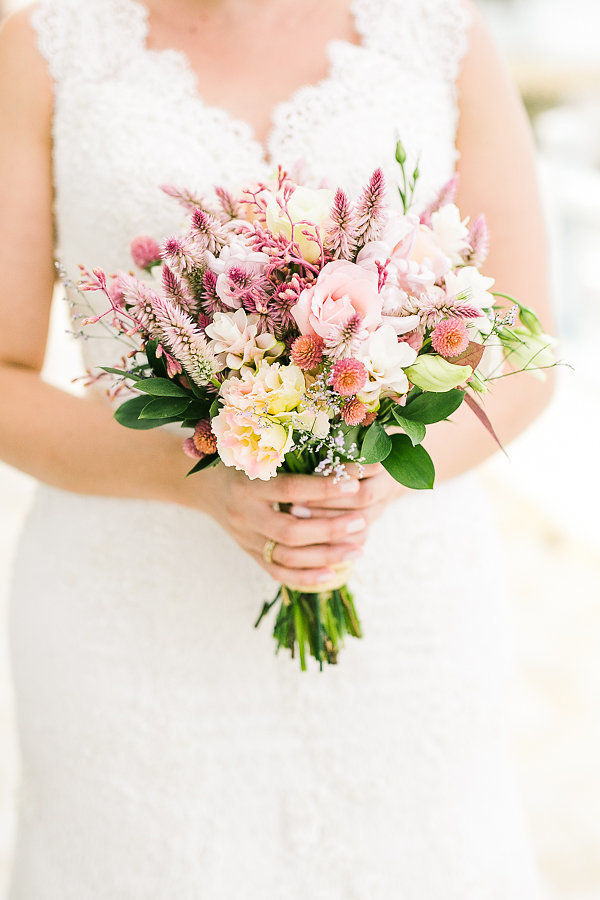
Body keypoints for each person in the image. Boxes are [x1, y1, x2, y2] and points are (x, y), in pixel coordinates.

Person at [0, 0, 554, 896]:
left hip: (402, 596)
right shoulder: (47, 47)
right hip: (129, 616)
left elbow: (525, 356)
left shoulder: (441, 35)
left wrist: (369, 482)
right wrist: (191, 475)